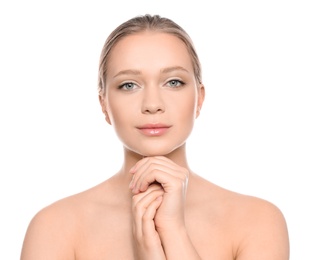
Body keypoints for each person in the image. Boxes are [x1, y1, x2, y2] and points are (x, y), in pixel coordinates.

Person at [20, 14, 290, 259]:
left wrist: (173, 233)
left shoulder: (258, 221)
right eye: (129, 85)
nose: (152, 104)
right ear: (104, 105)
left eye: (173, 82)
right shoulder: (55, 227)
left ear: (199, 99)